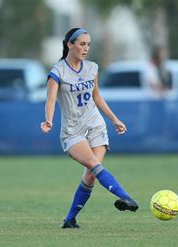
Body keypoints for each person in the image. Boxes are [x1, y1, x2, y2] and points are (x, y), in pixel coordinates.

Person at [40, 28, 139, 228]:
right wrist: (48, 120)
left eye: (88, 45)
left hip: (95, 125)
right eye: (82, 44)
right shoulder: (57, 71)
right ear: (70, 45)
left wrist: (114, 119)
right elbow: (51, 100)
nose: (86, 48)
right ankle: (125, 197)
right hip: (73, 131)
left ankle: (69, 220)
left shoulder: (92, 67)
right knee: (94, 165)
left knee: (92, 174)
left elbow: (97, 97)